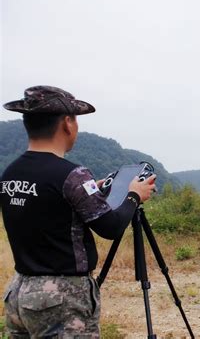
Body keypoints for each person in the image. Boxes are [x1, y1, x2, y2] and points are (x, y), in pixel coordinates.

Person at [0, 86, 157, 338]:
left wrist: (94, 189)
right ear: (67, 123)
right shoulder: (72, 175)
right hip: (61, 299)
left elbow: (47, 204)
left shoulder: (11, 173)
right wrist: (134, 195)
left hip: (19, 293)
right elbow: (111, 227)